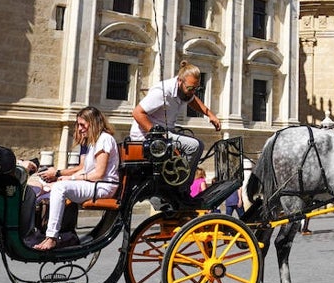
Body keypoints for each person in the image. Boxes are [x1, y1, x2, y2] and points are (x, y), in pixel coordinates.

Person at [129, 61, 221, 196]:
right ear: (180, 81)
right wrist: (157, 136)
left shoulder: (185, 91)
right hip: (146, 135)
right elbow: (137, 113)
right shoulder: (162, 92)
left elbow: (193, 100)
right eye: (190, 88)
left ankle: (178, 182)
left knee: (196, 144)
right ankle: (181, 190)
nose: (193, 92)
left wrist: (210, 114)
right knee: (194, 146)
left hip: (166, 132)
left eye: (196, 89)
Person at [34, 106, 119, 251]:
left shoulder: (104, 140)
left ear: (93, 123)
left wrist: (70, 179)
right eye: (78, 125)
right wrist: (66, 178)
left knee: (60, 188)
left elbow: (98, 174)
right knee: (49, 186)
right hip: (94, 184)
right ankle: (40, 231)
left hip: (104, 186)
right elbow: (85, 170)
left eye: (82, 125)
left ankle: (52, 237)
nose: (79, 129)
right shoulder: (95, 142)